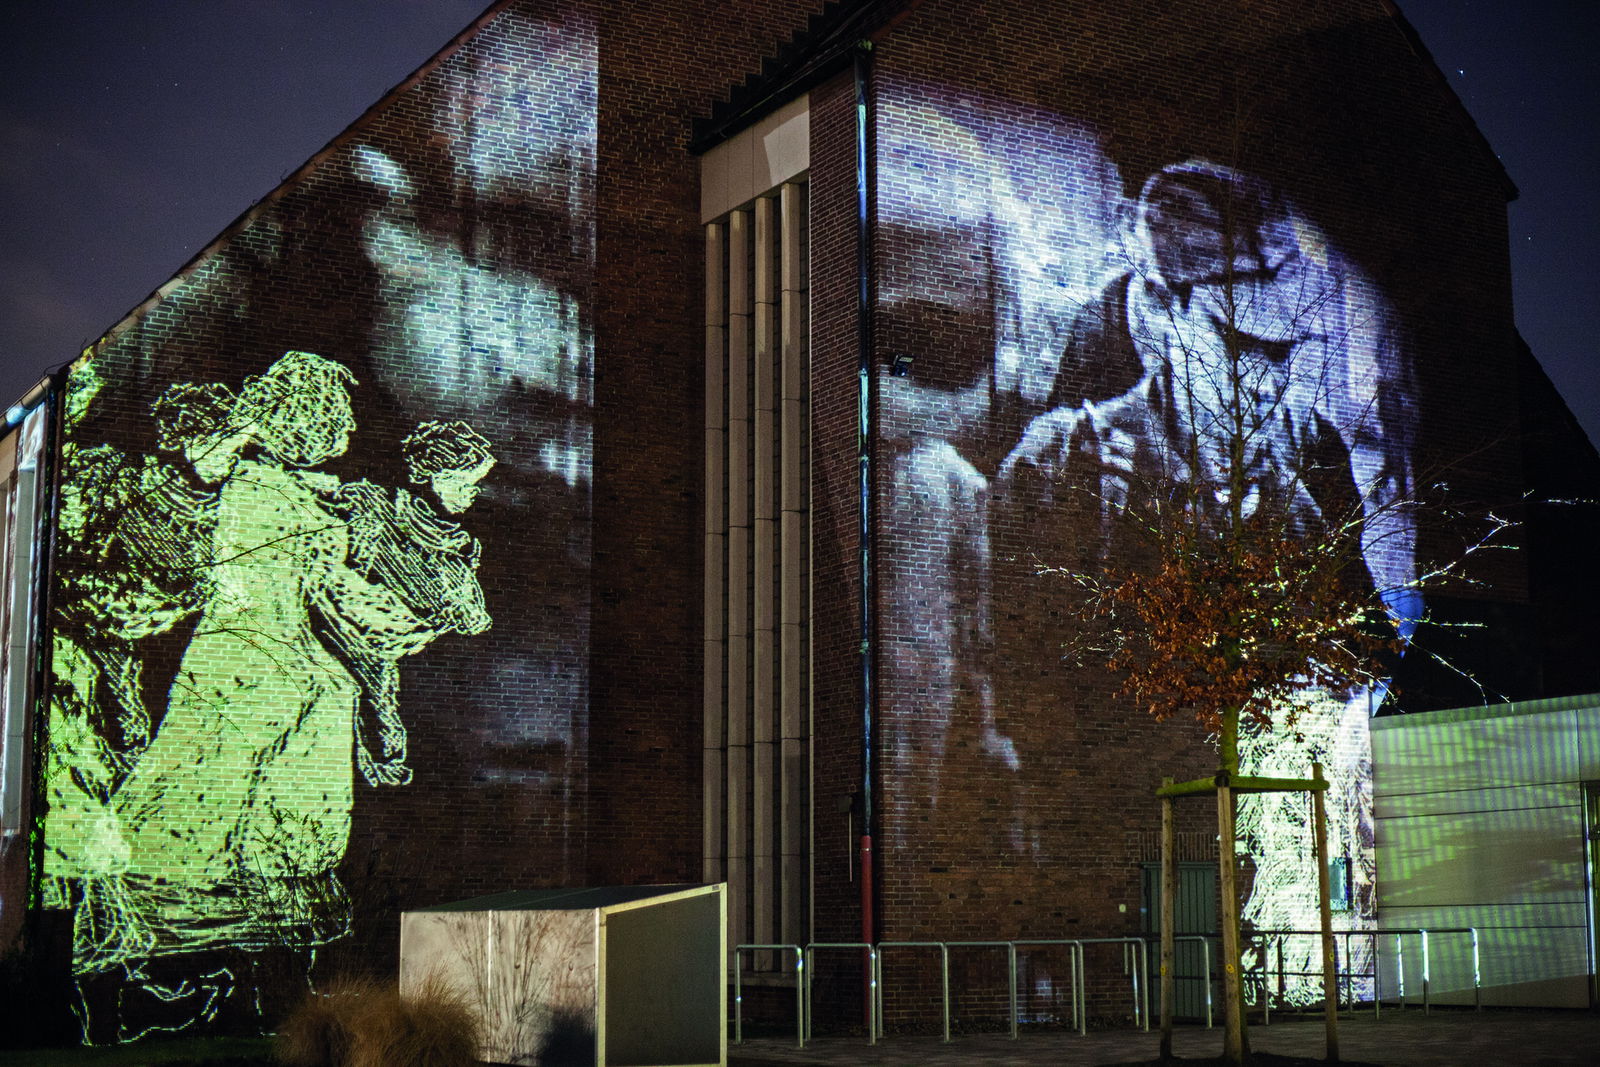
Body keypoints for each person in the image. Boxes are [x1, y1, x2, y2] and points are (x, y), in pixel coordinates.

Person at [318, 419, 496, 787]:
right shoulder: (374, 507)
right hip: (337, 629)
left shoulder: (458, 549)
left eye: (474, 484)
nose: (469, 492)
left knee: (384, 738)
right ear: (427, 474)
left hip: (384, 649)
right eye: (459, 481)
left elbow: (469, 617)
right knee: (378, 735)